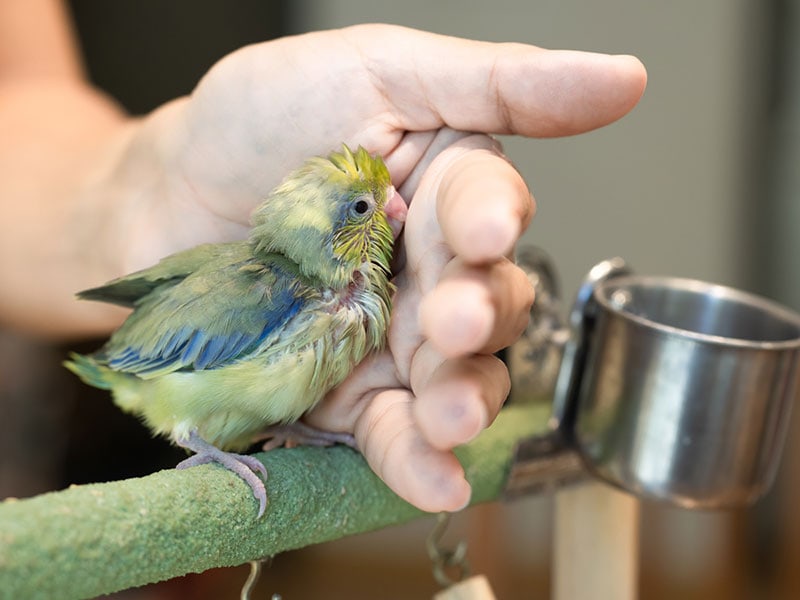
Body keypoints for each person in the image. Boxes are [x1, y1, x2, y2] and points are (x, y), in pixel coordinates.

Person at [0, 1, 646, 512]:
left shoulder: (345, 296)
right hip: (137, 393)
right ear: (330, 236)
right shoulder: (273, 295)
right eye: (366, 208)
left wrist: (144, 189)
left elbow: (24, 93)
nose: (395, 207)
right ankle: (204, 444)